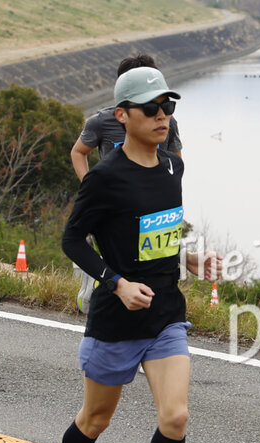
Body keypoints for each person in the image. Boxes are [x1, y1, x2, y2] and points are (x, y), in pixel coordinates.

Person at [46, 66, 222, 443]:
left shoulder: (172, 169)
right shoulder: (105, 177)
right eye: (151, 109)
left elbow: (154, 239)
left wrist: (188, 258)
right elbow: (72, 240)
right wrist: (117, 283)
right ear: (123, 116)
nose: (162, 116)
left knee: (176, 416)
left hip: (164, 313)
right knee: (95, 419)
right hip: (116, 318)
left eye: (168, 106)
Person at [70, 54, 183, 315]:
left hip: (151, 208)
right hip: (113, 208)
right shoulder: (101, 121)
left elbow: (176, 159)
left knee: (150, 262)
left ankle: (152, 315)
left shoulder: (167, 121)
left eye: (163, 103)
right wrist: (91, 188)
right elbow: (78, 152)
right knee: (116, 261)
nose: (158, 111)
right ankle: (97, 294)